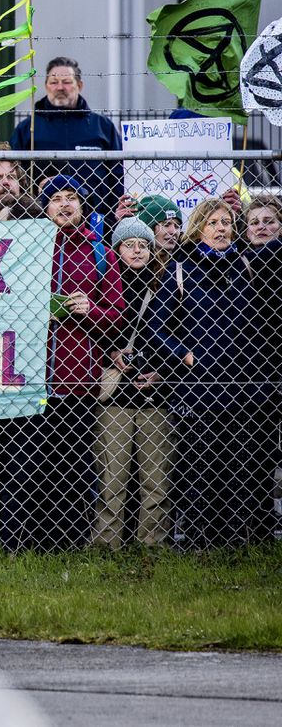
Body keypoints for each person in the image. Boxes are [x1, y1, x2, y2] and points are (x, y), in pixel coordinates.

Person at [0, 176, 124, 551]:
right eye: (55, 199)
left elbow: (116, 311)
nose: (65, 205)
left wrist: (91, 310)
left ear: (82, 207)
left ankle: (65, 544)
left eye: (72, 198)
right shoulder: (25, 247)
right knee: (23, 466)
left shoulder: (100, 252)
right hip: (27, 378)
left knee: (71, 467)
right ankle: (17, 543)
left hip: (77, 380)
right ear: (45, 207)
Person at [147, 198, 272, 548]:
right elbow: (156, 329)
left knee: (239, 468)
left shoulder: (247, 265)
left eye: (227, 222)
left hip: (242, 389)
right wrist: (184, 355)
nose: (222, 228)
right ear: (199, 227)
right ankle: (201, 541)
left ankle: (236, 542)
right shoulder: (181, 269)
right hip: (197, 391)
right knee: (200, 468)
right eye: (214, 222)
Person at [93, 217, 172, 548]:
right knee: (112, 479)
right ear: (116, 250)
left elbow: (177, 333)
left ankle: (152, 544)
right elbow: (92, 333)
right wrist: (110, 352)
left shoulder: (166, 285)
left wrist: (161, 372)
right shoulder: (107, 285)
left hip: (156, 394)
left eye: (144, 245)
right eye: (130, 245)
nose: (138, 250)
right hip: (115, 396)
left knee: (157, 480)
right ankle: (106, 543)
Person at [9, 57, 123, 218]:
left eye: (67, 82)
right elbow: (16, 175)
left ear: (80, 85)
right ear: (46, 86)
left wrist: (112, 216)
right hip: (41, 221)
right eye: (54, 82)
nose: (60, 87)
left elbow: (118, 175)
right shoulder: (28, 128)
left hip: (97, 219)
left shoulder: (102, 127)